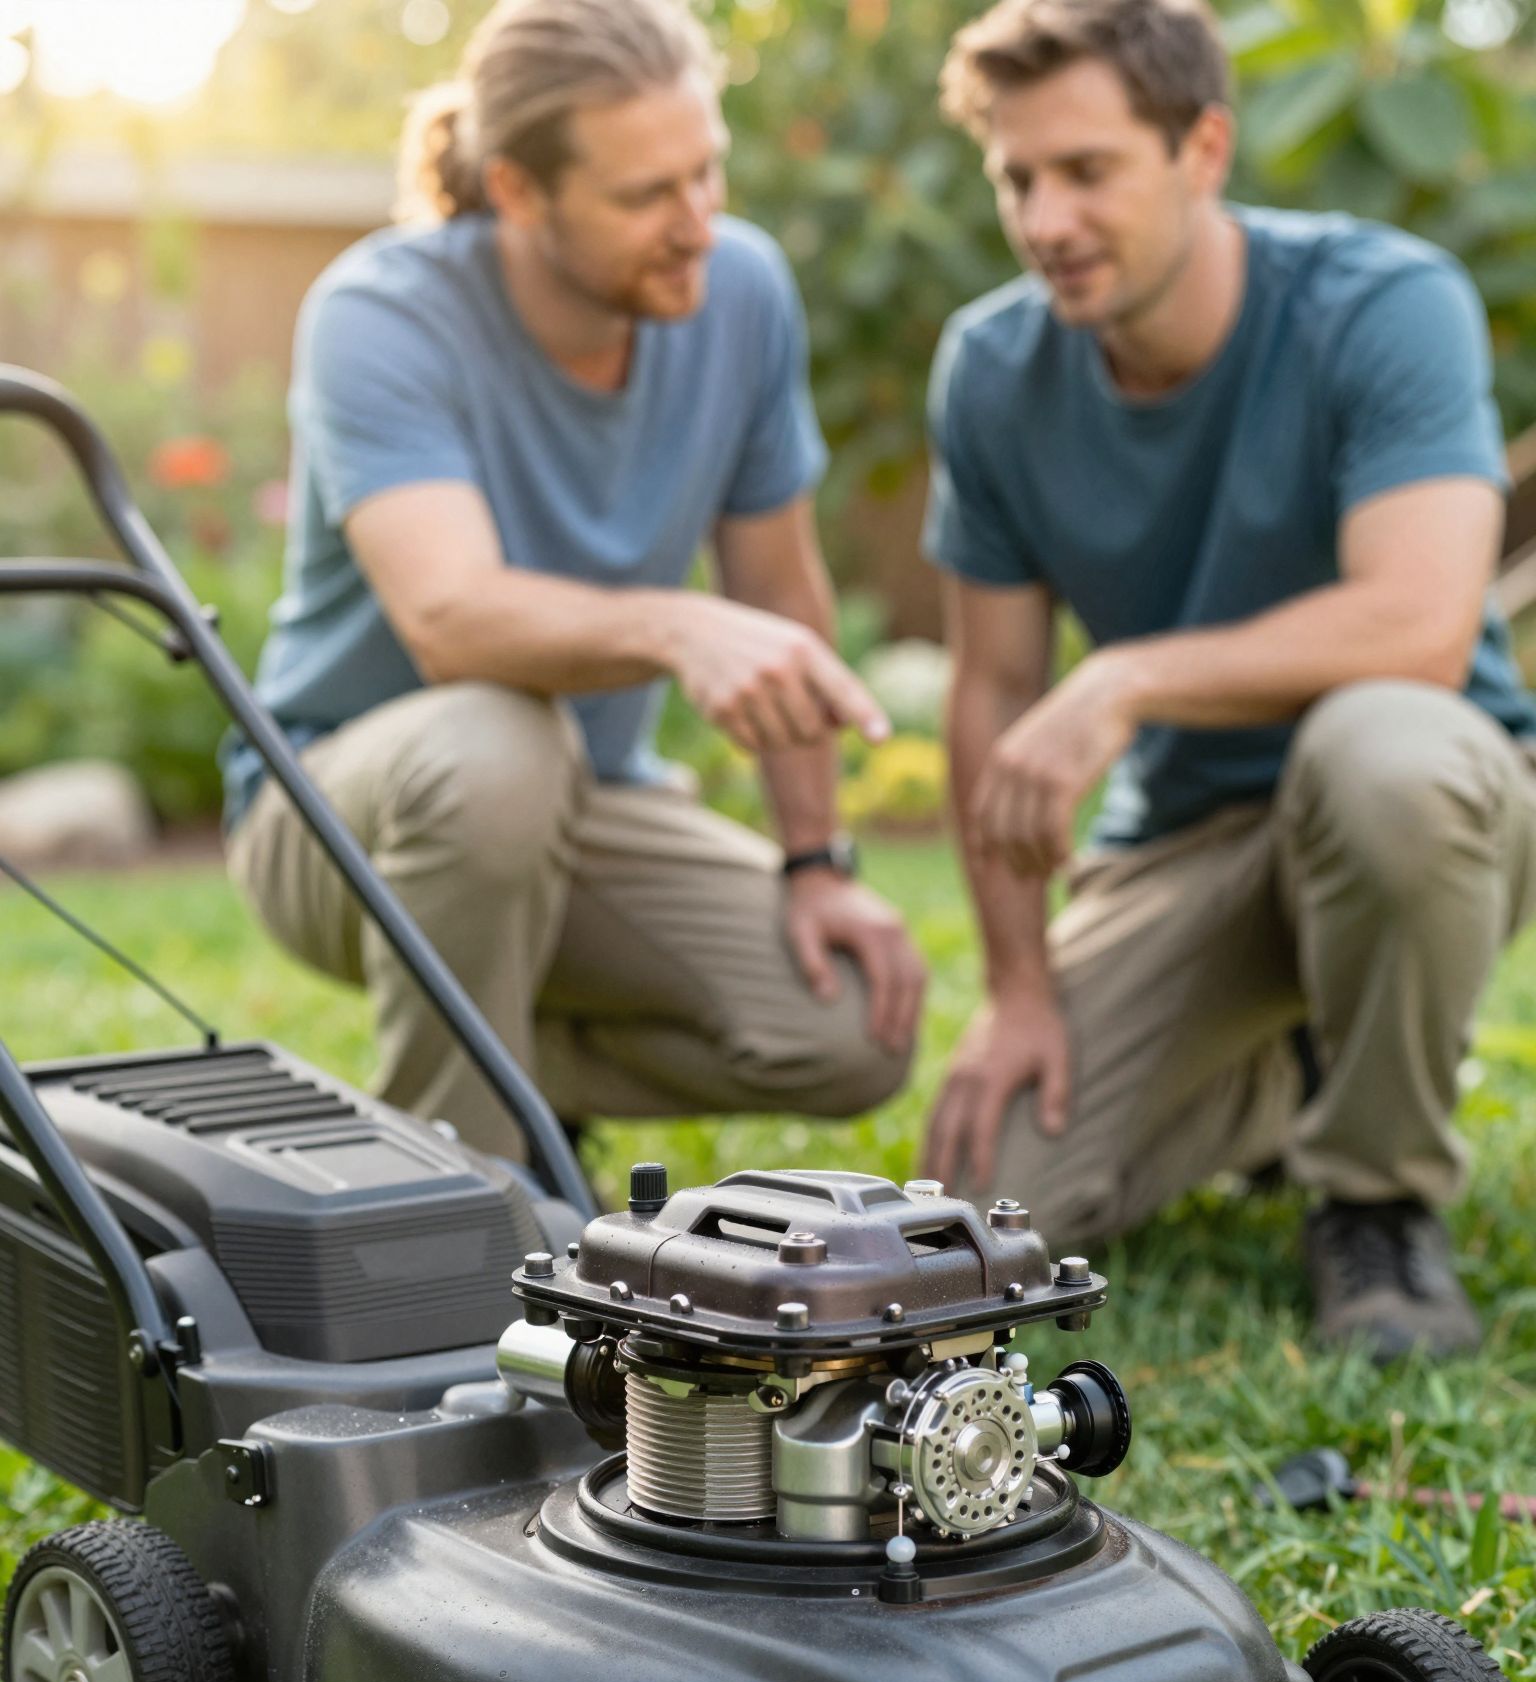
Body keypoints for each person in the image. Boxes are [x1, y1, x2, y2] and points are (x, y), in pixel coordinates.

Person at [921, 0, 1536, 1361]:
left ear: (1202, 147)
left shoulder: (1385, 302)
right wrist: (1020, 988)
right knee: (985, 1209)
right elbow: (991, 686)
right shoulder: (994, 369)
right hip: (1191, 845)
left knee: (1385, 754)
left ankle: (1374, 1204)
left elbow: (1422, 627)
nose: (1046, 219)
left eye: (1088, 171)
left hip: (1419, 814)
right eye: (1018, 178)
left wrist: (1129, 676)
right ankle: (1276, 1072)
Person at [223, 0, 925, 1167]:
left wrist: (815, 860)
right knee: (497, 743)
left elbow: (780, 598)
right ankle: (446, 1205)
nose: (696, 222)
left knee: (847, 1026)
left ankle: (483, 1068)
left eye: (708, 174)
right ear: (518, 190)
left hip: (588, 802)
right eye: (647, 195)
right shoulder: (381, 314)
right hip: (340, 817)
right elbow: (450, 618)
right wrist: (674, 625)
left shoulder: (742, 293)